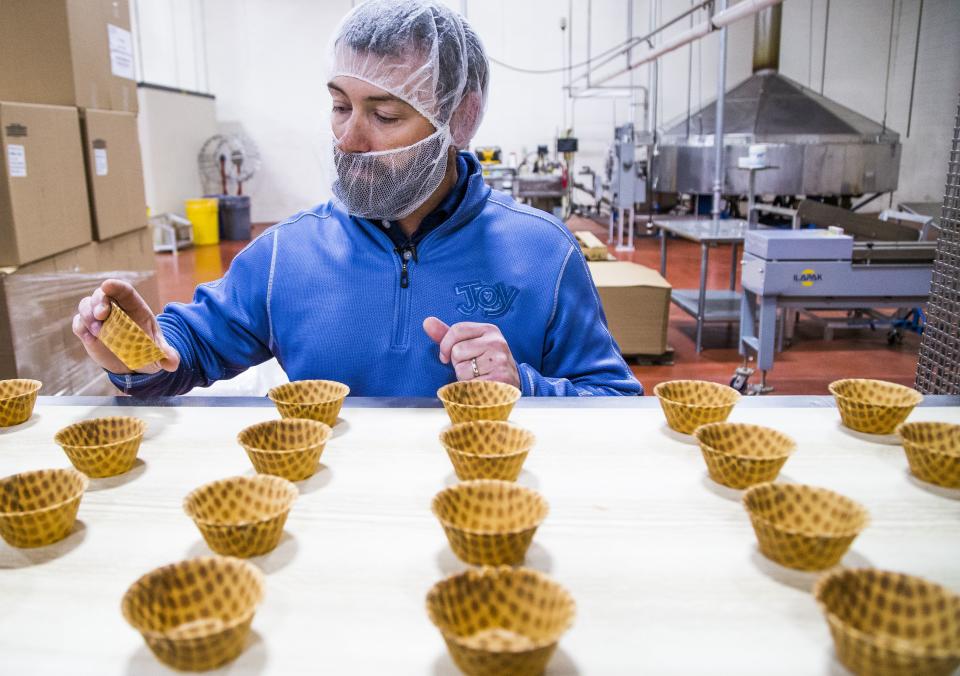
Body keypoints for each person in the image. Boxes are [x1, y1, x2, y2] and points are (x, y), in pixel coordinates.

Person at [72, 0, 642, 398]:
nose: (347, 138)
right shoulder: (287, 254)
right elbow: (184, 350)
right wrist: (140, 351)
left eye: (385, 114)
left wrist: (525, 386)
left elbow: (615, 400)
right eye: (341, 106)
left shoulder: (542, 252)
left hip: (481, 527)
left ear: (459, 118)